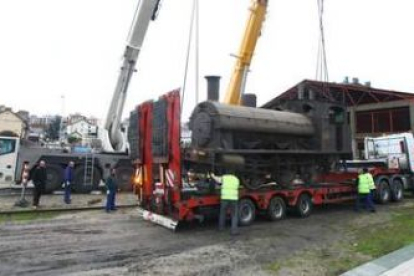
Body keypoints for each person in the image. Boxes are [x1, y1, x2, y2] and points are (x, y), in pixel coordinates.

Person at [211, 170, 241, 235]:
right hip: (233, 199)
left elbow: (217, 180)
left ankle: (221, 228)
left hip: (224, 198)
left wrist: (213, 176)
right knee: (234, 215)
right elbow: (238, 187)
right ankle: (234, 231)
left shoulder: (224, 177)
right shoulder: (236, 179)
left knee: (222, 213)